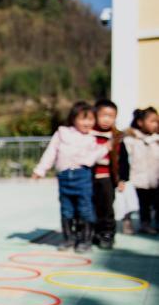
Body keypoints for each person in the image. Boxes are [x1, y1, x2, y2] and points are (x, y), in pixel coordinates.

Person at [32, 102, 108, 252]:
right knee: (66, 209)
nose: (87, 123)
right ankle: (68, 238)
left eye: (90, 119)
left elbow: (94, 157)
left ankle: (85, 240)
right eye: (83, 119)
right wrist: (40, 169)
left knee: (85, 208)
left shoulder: (92, 138)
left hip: (82, 175)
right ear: (73, 119)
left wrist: (105, 148)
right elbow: (51, 152)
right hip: (64, 176)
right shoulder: (62, 133)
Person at [90, 98, 129, 249]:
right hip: (89, 177)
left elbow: (123, 160)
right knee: (89, 206)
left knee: (106, 207)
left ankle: (107, 233)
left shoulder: (116, 137)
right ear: (95, 115)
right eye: (103, 115)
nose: (107, 119)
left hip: (107, 178)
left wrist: (122, 179)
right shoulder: (88, 134)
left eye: (111, 116)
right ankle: (91, 232)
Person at [123, 107, 159, 234]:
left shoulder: (156, 140)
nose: (155, 124)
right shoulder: (131, 140)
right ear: (140, 122)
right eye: (152, 121)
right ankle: (131, 223)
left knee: (152, 204)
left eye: (157, 121)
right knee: (135, 204)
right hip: (136, 179)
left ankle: (149, 224)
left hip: (154, 179)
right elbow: (125, 159)